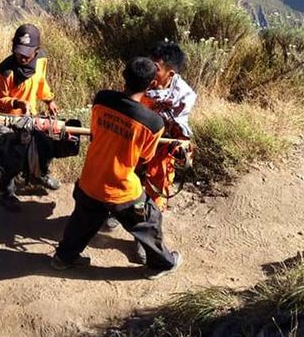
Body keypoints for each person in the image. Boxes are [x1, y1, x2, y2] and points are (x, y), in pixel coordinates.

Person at [52, 57, 183, 279]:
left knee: (83, 219)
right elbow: (145, 157)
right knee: (149, 221)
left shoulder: (102, 99)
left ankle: (64, 258)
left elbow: (95, 133)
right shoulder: (152, 123)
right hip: (120, 187)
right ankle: (161, 263)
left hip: (90, 179)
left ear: (124, 77)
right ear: (152, 84)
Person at [103, 41, 196, 234]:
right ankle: (116, 212)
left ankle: (146, 236)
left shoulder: (184, 96)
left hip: (161, 147)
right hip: (135, 141)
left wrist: (180, 145)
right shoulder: (140, 81)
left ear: (170, 74)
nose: (150, 71)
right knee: (124, 175)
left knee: (156, 189)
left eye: (156, 68)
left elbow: (180, 127)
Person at [0, 24, 61, 210]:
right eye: (18, 52)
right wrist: (16, 103)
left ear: (37, 50)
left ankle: (39, 175)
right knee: (13, 158)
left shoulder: (41, 60)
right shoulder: (5, 71)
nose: (21, 57)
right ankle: (7, 192)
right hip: (10, 121)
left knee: (45, 146)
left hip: (31, 117)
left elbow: (41, 82)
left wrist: (49, 100)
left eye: (27, 53)